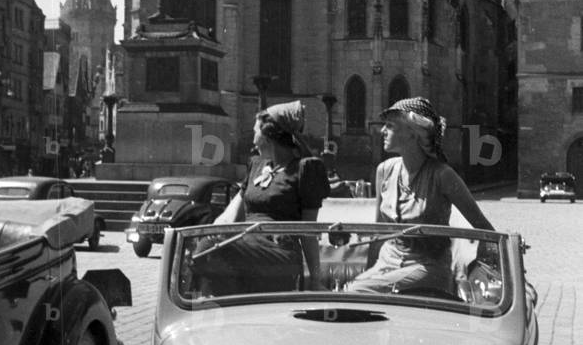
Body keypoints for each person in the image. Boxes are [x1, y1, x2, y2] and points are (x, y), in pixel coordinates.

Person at [348, 97, 493, 295]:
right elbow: (379, 232)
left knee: (358, 291)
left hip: (428, 268)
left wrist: (482, 268)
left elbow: (484, 228)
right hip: (387, 263)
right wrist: (370, 272)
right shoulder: (385, 170)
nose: (382, 131)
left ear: (412, 134)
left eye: (390, 126)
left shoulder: (442, 175)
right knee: (348, 293)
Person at [193, 101, 330, 294]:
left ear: (269, 135)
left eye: (255, 131)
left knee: (210, 250)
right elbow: (229, 217)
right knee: (202, 250)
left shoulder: (305, 169)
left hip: (279, 252)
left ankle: (213, 309)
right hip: (246, 244)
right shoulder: (256, 165)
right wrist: (206, 235)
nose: (253, 138)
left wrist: (315, 280)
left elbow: (308, 231)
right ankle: (212, 312)